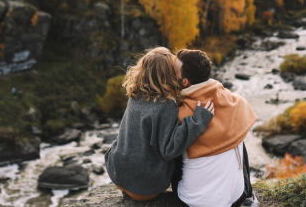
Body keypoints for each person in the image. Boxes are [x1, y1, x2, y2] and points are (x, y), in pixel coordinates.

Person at [104, 47, 215, 201]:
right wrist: (198, 121)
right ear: (168, 74)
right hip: (144, 188)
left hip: (116, 172)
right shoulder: (165, 104)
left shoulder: (135, 94)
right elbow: (170, 150)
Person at [172, 49, 259, 207]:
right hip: (236, 197)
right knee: (237, 135)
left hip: (193, 201)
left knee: (174, 147)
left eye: (173, 71)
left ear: (184, 82)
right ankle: (249, 195)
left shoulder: (178, 113)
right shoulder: (236, 102)